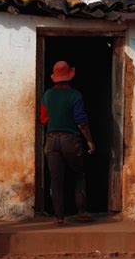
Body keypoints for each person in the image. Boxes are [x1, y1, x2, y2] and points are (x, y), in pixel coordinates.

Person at [40, 61, 95, 225]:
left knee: (56, 179)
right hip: (70, 141)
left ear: (55, 77)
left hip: (51, 141)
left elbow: (43, 119)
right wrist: (90, 141)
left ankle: (59, 217)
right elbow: (81, 122)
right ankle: (82, 212)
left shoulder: (47, 95)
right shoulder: (75, 95)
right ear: (70, 76)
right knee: (78, 175)